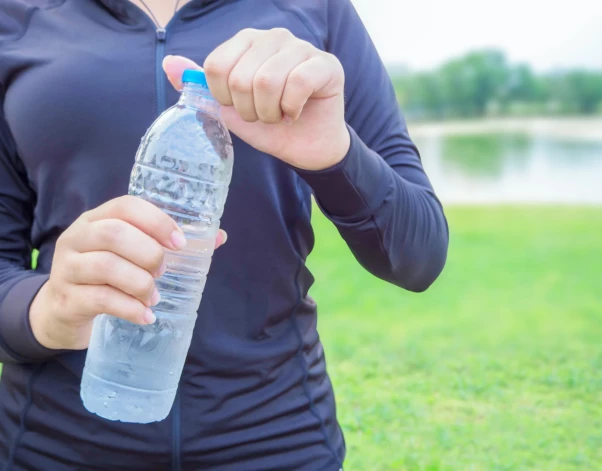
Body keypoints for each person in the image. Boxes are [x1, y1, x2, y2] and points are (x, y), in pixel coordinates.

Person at [0, 0, 449, 469]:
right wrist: (46, 310)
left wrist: (337, 155)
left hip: (275, 440)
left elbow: (419, 256)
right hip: (55, 446)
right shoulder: (14, 17)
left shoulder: (314, 10)